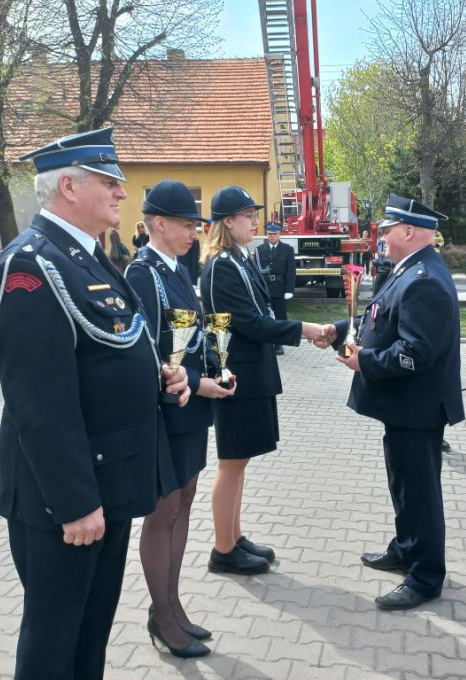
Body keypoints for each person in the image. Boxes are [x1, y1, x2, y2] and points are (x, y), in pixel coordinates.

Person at [0, 127, 189, 679]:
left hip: (108, 488)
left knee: (89, 635)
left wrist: (158, 375)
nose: (123, 194)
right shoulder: (31, 267)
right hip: (68, 502)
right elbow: (38, 402)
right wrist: (75, 503)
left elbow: (106, 349)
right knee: (54, 645)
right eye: (110, 181)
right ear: (69, 187)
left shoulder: (87, 259)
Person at [320, 195, 463, 610]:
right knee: (404, 484)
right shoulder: (410, 272)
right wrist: (341, 328)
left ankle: (425, 576)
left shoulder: (424, 280)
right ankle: (406, 548)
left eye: (386, 230)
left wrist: (364, 361)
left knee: (419, 493)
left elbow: (415, 352)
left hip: (416, 409)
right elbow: (382, 318)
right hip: (404, 408)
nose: (380, 237)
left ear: (408, 232)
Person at [126, 180, 236, 659]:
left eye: (197, 224)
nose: (195, 231)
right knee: (164, 511)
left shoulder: (177, 269)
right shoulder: (143, 273)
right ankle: (161, 612)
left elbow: (187, 338)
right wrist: (197, 379)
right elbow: (152, 352)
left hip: (191, 407)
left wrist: (216, 367)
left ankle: (172, 604)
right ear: (159, 223)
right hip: (168, 410)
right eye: (188, 224)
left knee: (184, 502)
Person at [200, 186, 327, 575]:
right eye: (246, 215)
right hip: (237, 373)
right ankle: (224, 549)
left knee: (241, 460)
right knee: (232, 461)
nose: (255, 220)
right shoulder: (222, 264)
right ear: (227, 222)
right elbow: (250, 323)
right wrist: (306, 328)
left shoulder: (239, 257)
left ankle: (234, 536)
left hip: (250, 372)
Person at [255, 221, 297, 355]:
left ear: (279, 234)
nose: (272, 236)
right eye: (269, 234)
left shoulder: (287, 249)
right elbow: (255, 272)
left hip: (280, 288)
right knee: (265, 316)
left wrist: (289, 290)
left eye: (274, 234)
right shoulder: (259, 250)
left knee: (280, 317)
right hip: (265, 288)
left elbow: (291, 272)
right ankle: (267, 343)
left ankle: (279, 344)